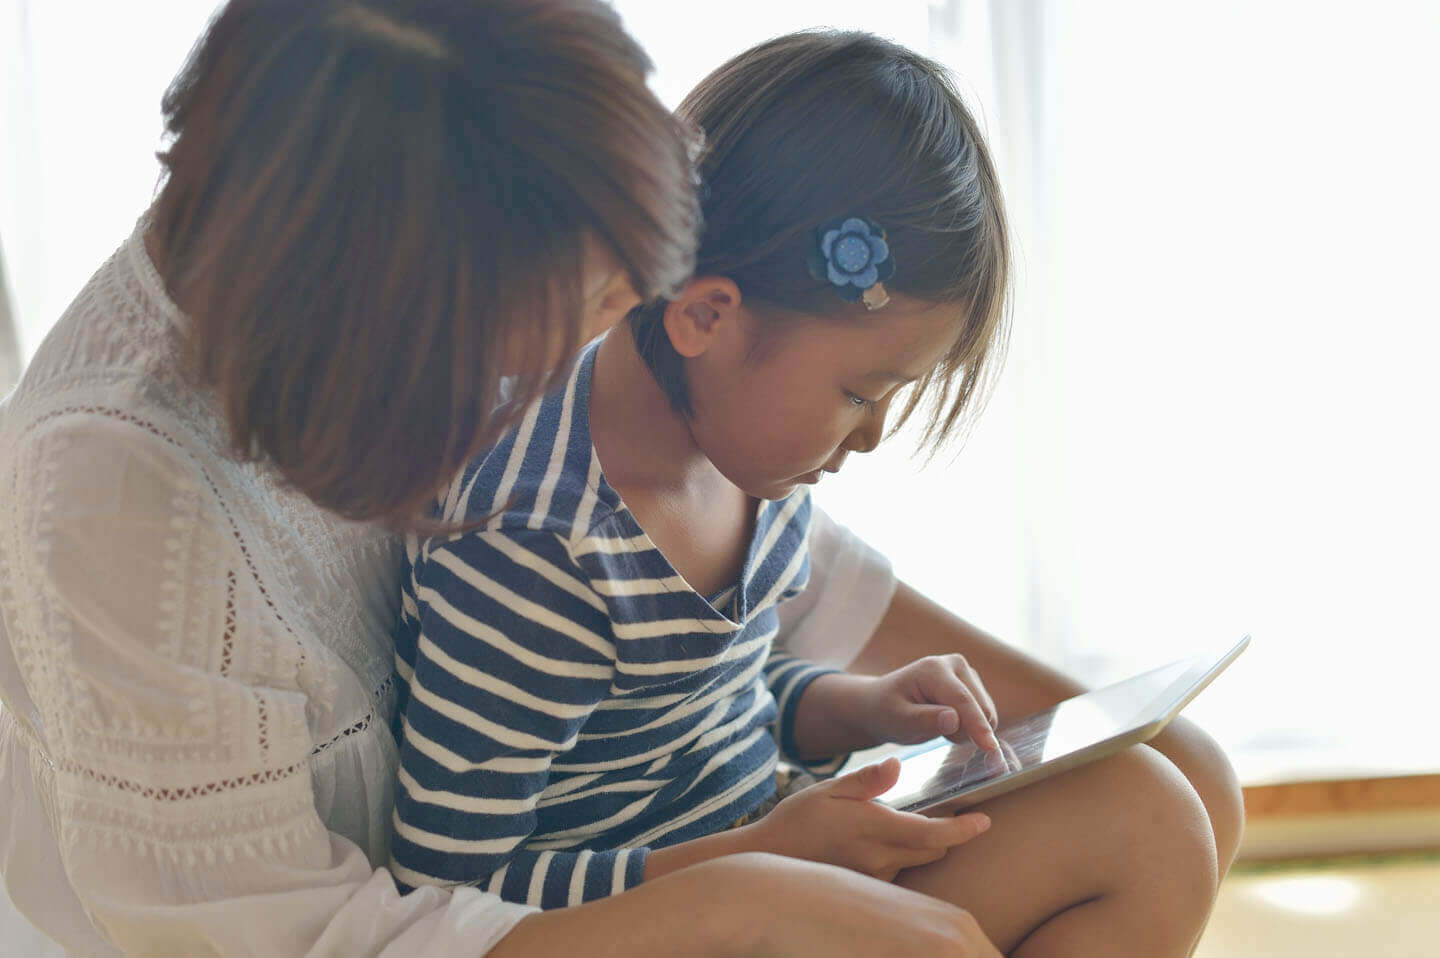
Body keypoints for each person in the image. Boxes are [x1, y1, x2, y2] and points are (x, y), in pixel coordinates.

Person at [0, 3, 1002, 955]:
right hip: (516, 918)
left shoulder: (445, 220)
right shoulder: (116, 503)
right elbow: (351, 930)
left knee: (1143, 800)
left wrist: (852, 713)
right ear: (410, 300)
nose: (608, 354)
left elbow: (706, 638)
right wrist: (740, 890)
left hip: (677, 868)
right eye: (574, 316)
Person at [389, 30, 1236, 956]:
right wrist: (755, 857)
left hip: (770, 855)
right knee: (1145, 829)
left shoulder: (742, 466)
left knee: (1154, 810)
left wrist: (855, 706)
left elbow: (712, 705)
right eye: (859, 395)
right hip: (665, 924)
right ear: (707, 315)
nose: (871, 436)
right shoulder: (540, 544)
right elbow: (455, 889)